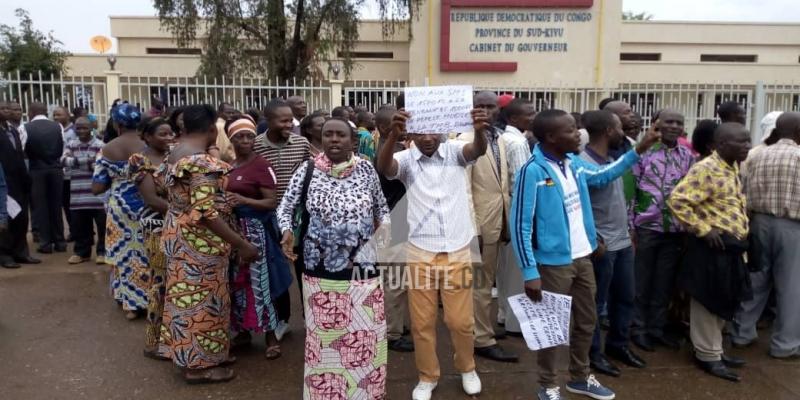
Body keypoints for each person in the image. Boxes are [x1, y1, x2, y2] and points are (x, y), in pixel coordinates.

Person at [510, 109, 660, 400]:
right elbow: (520, 226)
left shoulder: (574, 163)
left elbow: (604, 175)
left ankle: (579, 377)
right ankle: (548, 385)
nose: (579, 134)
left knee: (587, 321)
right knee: (551, 328)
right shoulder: (533, 171)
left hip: (583, 259)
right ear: (552, 137)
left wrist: (639, 148)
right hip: (552, 264)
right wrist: (530, 272)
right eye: (570, 130)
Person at [377, 108, 490, 400]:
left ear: (444, 130)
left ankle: (467, 368)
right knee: (423, 322)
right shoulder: (404, 160)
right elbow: (384, 167)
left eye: (433, 132)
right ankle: (427, 376)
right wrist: (392, 135)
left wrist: (479, 129)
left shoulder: (454, 152)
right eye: (420, 133)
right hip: (420, 251)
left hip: (457, 249)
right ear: (410, 134)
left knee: (461, 321)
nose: (427, 139)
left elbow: (477, 149)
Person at [278, 117, 390, 399]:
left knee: (367, 335)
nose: (334, 140)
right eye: (328, 135)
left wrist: (385, 233)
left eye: (341, 135)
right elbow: (284, 208)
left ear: (353, 141)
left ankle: (365, 393)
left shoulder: (366, 169)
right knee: (325, 340)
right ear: (321, 139)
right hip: (319, 271)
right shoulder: (307, 170)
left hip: (363, 269)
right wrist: (287, 230)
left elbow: (382, 209)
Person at [161, 104, 258, 383]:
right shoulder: (202, 163)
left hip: (178, 235)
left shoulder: (175, 152)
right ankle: (198, 367)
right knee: (202, 302)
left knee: (185, 296)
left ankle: (200, 354)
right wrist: (241, 243)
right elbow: (205, 213)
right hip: (199, 243)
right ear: (210, 129)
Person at [668, 122, 751, 382]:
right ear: (723, 144)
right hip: (710, 250)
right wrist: (703, 228)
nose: (748, 146)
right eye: (742, 142)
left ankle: (715, 350)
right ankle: (707, 356)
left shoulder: (731, 166)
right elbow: (678, 200)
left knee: (722, 300)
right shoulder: (706, 169)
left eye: (749, 141)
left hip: (729, 250)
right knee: (707, 301)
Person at [579, 111, 647, 378]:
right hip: (601, 247)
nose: (625, 133)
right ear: (608, 130)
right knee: (595, 304)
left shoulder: (613, 157)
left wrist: (629, 229)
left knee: (625, 298)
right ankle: (594, 353)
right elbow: (600, 179)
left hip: (622, 242)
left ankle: (618, 345)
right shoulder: (582, 162)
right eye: (620, 128)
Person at [732, 112, 800, 359]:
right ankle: (786, 345)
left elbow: (744, 189)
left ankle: (741, 333)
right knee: (791, 287)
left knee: (757, 280)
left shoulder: (756, 155)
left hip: (758, 222)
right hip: (791, 226)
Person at [225, 117, 292, 360]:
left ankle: (270, 338)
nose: (245, 141)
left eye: (249, 136)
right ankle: (243, 332)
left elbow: (271, 202)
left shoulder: (260, 165)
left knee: (261, 285)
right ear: (230, 139)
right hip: (234, 232)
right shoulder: (230, 165)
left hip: (256, 233)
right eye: (239, 137)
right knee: (238, 285)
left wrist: (243, 200)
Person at [630, 109, 695, 352]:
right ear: (657, 124)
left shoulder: (687, 156)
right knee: (642, 282)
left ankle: (657, 329)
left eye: (679, 122)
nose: (674, 126)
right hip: (647, 227)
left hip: (676, 229)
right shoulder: (641, 152)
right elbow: (631, 191)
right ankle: (638, 329)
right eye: (669, 122)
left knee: (664, 282)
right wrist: (630, 226)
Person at [463, 91, 518, 363]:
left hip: (499, 220)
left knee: (486, 283)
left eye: (490, 106)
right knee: (480, 285)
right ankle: (481, 340)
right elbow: (465, 190)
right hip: (480, 225)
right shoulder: (463, 141)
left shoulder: (502, 140)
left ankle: (482, 327)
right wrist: (474, 229)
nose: (484, 110)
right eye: (479, 106)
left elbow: (502, 185)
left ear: (499, 110)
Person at [253, 99, 312, 340]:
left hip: (298, 216)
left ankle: (312, 319)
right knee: (276, 269)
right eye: (284, 120)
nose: (290, 124)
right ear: (269, 121)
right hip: (268, 215)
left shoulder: (301, 144)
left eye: (291, 120)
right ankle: (282, 319)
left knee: (303, 267)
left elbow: (310, 173)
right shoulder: (256, 145)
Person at [92, 103, 150, 320]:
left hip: (120, 209)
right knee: (146, 252)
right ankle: (151, 299)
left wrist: (115, 178)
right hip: (148, 204)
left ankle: (130, 304)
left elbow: (97, 187)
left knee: (124, 253)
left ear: (116, 124)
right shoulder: (148, 145)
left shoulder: (107, 149)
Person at [129, 117, 174, 359]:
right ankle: (152, 342)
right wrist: (187, 213)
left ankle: (172, 337)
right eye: (163, 134)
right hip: (156, 226)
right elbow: (152, 199)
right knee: (160, 282)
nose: (169, 138)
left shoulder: (173, 156)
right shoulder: (139, 160)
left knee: (174, 281)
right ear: (147, 136)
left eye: (171, 134)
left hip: (176, 223)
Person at [497, 99, 535, 335]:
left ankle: (503, 313)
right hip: (517, 206)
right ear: (513, 119)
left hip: (506, 206)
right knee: (516, 270)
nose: (534, 117)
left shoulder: (503, 137)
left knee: (504, 269)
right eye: (529, 114)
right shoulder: (518, 142)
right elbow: (523, 180)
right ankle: (515, 323)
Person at [61, 117, 106, 265]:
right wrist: (88, 161)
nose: (81, 131)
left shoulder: (101, 145)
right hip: (77, 194)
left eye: (84, 128)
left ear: (92, 128)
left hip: (97, 195)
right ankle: (82, 253)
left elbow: (100, 166)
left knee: (102, 226)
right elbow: (63, 161)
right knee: (80, 227)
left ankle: (102, 252)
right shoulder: (71, 144)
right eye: (78, 128)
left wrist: (76, 162)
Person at [25, 102, 66, 254]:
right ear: (44, 111)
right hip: (56, 169)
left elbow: (22, 148)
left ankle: (45, 243)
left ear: (31, 112)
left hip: (36, 170)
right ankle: (60, 241)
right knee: (56, 205)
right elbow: (62, 147)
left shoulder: (26, 127)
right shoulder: (58, 126)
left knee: (40, 207)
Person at [0, 102, 37, 268]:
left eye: (7, 108)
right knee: (6, 219)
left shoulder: (13, 130)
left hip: (19, 181)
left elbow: (20, 155)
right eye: (2, 109)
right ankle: (5, 254)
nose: (6, 111)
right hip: (3, 181)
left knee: (21, 218)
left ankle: (21, 252)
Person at [54, 106, 76, 241]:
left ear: (67, 115)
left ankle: (83, 231)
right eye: (54, 115)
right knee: (67, 205)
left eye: (59, 115)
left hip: (74, 174)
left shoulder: (74, 131)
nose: (56, 117)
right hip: (62, 174)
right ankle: (73, 231)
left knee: (76, 205)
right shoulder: (55, 130)